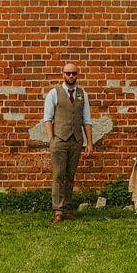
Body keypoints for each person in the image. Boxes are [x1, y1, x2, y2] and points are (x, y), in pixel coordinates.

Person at [43, 63, 94, 224]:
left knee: (70, 175)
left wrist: (89, 143)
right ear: (62, 74)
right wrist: (52, 139)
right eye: (68, 73)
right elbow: (47, 118)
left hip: (76, 140)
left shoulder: (82, 94)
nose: (71, 76)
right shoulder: (54, 93)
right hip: (59, 140)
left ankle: (68, 207)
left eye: (73, 73)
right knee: (58, 175)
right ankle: (58, 210)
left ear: (77, 75)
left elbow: (87, 120)